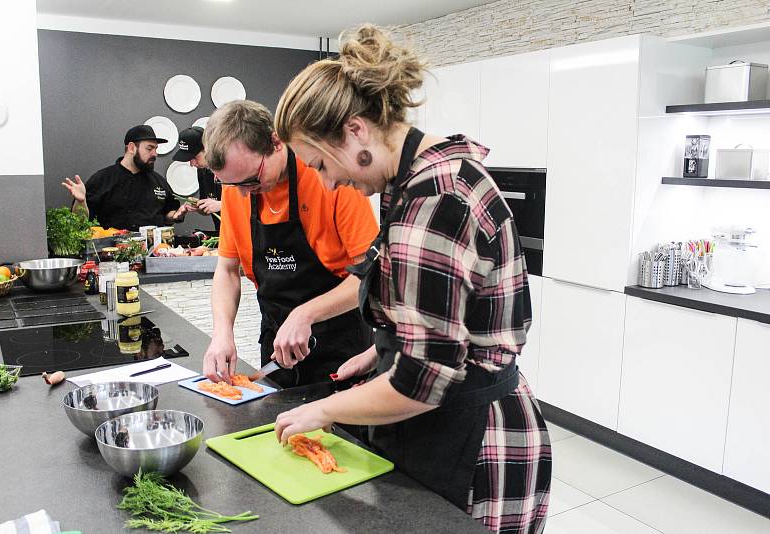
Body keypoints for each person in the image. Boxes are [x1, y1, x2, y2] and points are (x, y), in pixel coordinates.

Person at [272, 25, 551, 533]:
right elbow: (443, 321)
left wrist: (326, 411)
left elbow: (424, 380)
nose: (329, 182)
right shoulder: (426, 177)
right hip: (457, 424)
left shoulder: (434, 203)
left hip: (474, 447)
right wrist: (381, 352)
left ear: (356, 130)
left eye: (320, 163)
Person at [201, 100, 379, 389]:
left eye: (251, 180)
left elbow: (370, 275)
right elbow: (227, 270)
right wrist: (222, 333)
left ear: (276, 142)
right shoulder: (238, 190)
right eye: (233, 185)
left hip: (341, 347)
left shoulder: (329, 176)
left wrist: (305, 313)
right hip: (277, 348)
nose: (244, 193)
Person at [62, 125, 191, 230]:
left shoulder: (159, 182)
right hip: (112, 255)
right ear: (131, 148)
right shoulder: (103, 179)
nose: (155, 154)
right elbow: (80, 222)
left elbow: (167, 215)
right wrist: (80, 201)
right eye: (149, 148)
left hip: (155, 253)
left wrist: (175, 215)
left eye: (156, 149)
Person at [172, 126, 222, 232]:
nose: (192, 164)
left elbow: (250, 204)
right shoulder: (203, 171)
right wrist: (197, 205)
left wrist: (222, 205)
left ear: (207, 148)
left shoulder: (231, 167)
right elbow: (208, 209)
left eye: (194, 157)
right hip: (223, 235)